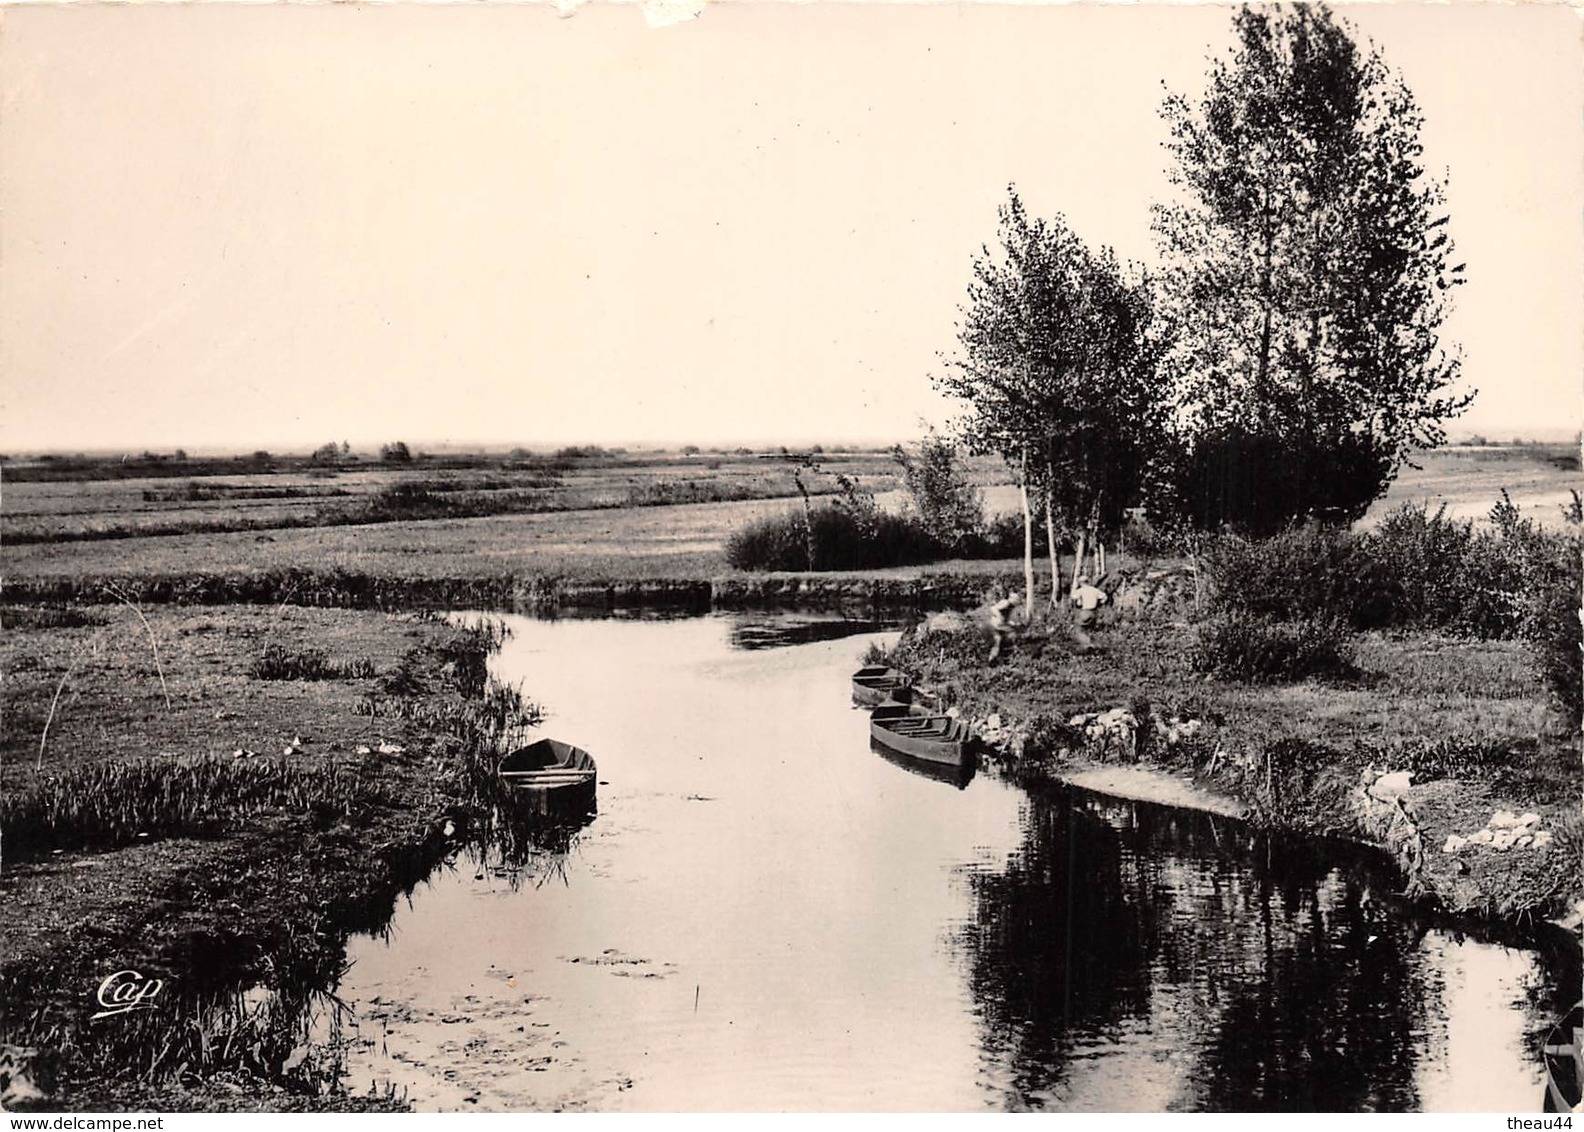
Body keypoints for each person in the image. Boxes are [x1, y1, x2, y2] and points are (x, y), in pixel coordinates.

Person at [1070, 573, 1110, 652]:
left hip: (1085, 611)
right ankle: (1094, 647)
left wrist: (1077, 603)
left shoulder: (1081, 590)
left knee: (1078, 629)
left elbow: (1073, 597)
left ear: (1081, 583)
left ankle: (1089, 645)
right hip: (1094, 612)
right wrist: (1099, 604)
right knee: (1089, 629)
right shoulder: (1094, 590)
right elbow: (1105, 597)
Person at [987, 587, 1021, 663]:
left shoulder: (1010, 607)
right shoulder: (1006, 603)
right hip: (996, 625)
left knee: (999, 640)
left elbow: (1006, 618)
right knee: (1013, 633)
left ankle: (994, 658)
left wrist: (1012, 623)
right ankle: (1012, 652)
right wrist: (999, 616)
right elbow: (993, 608)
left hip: (1000, 625)